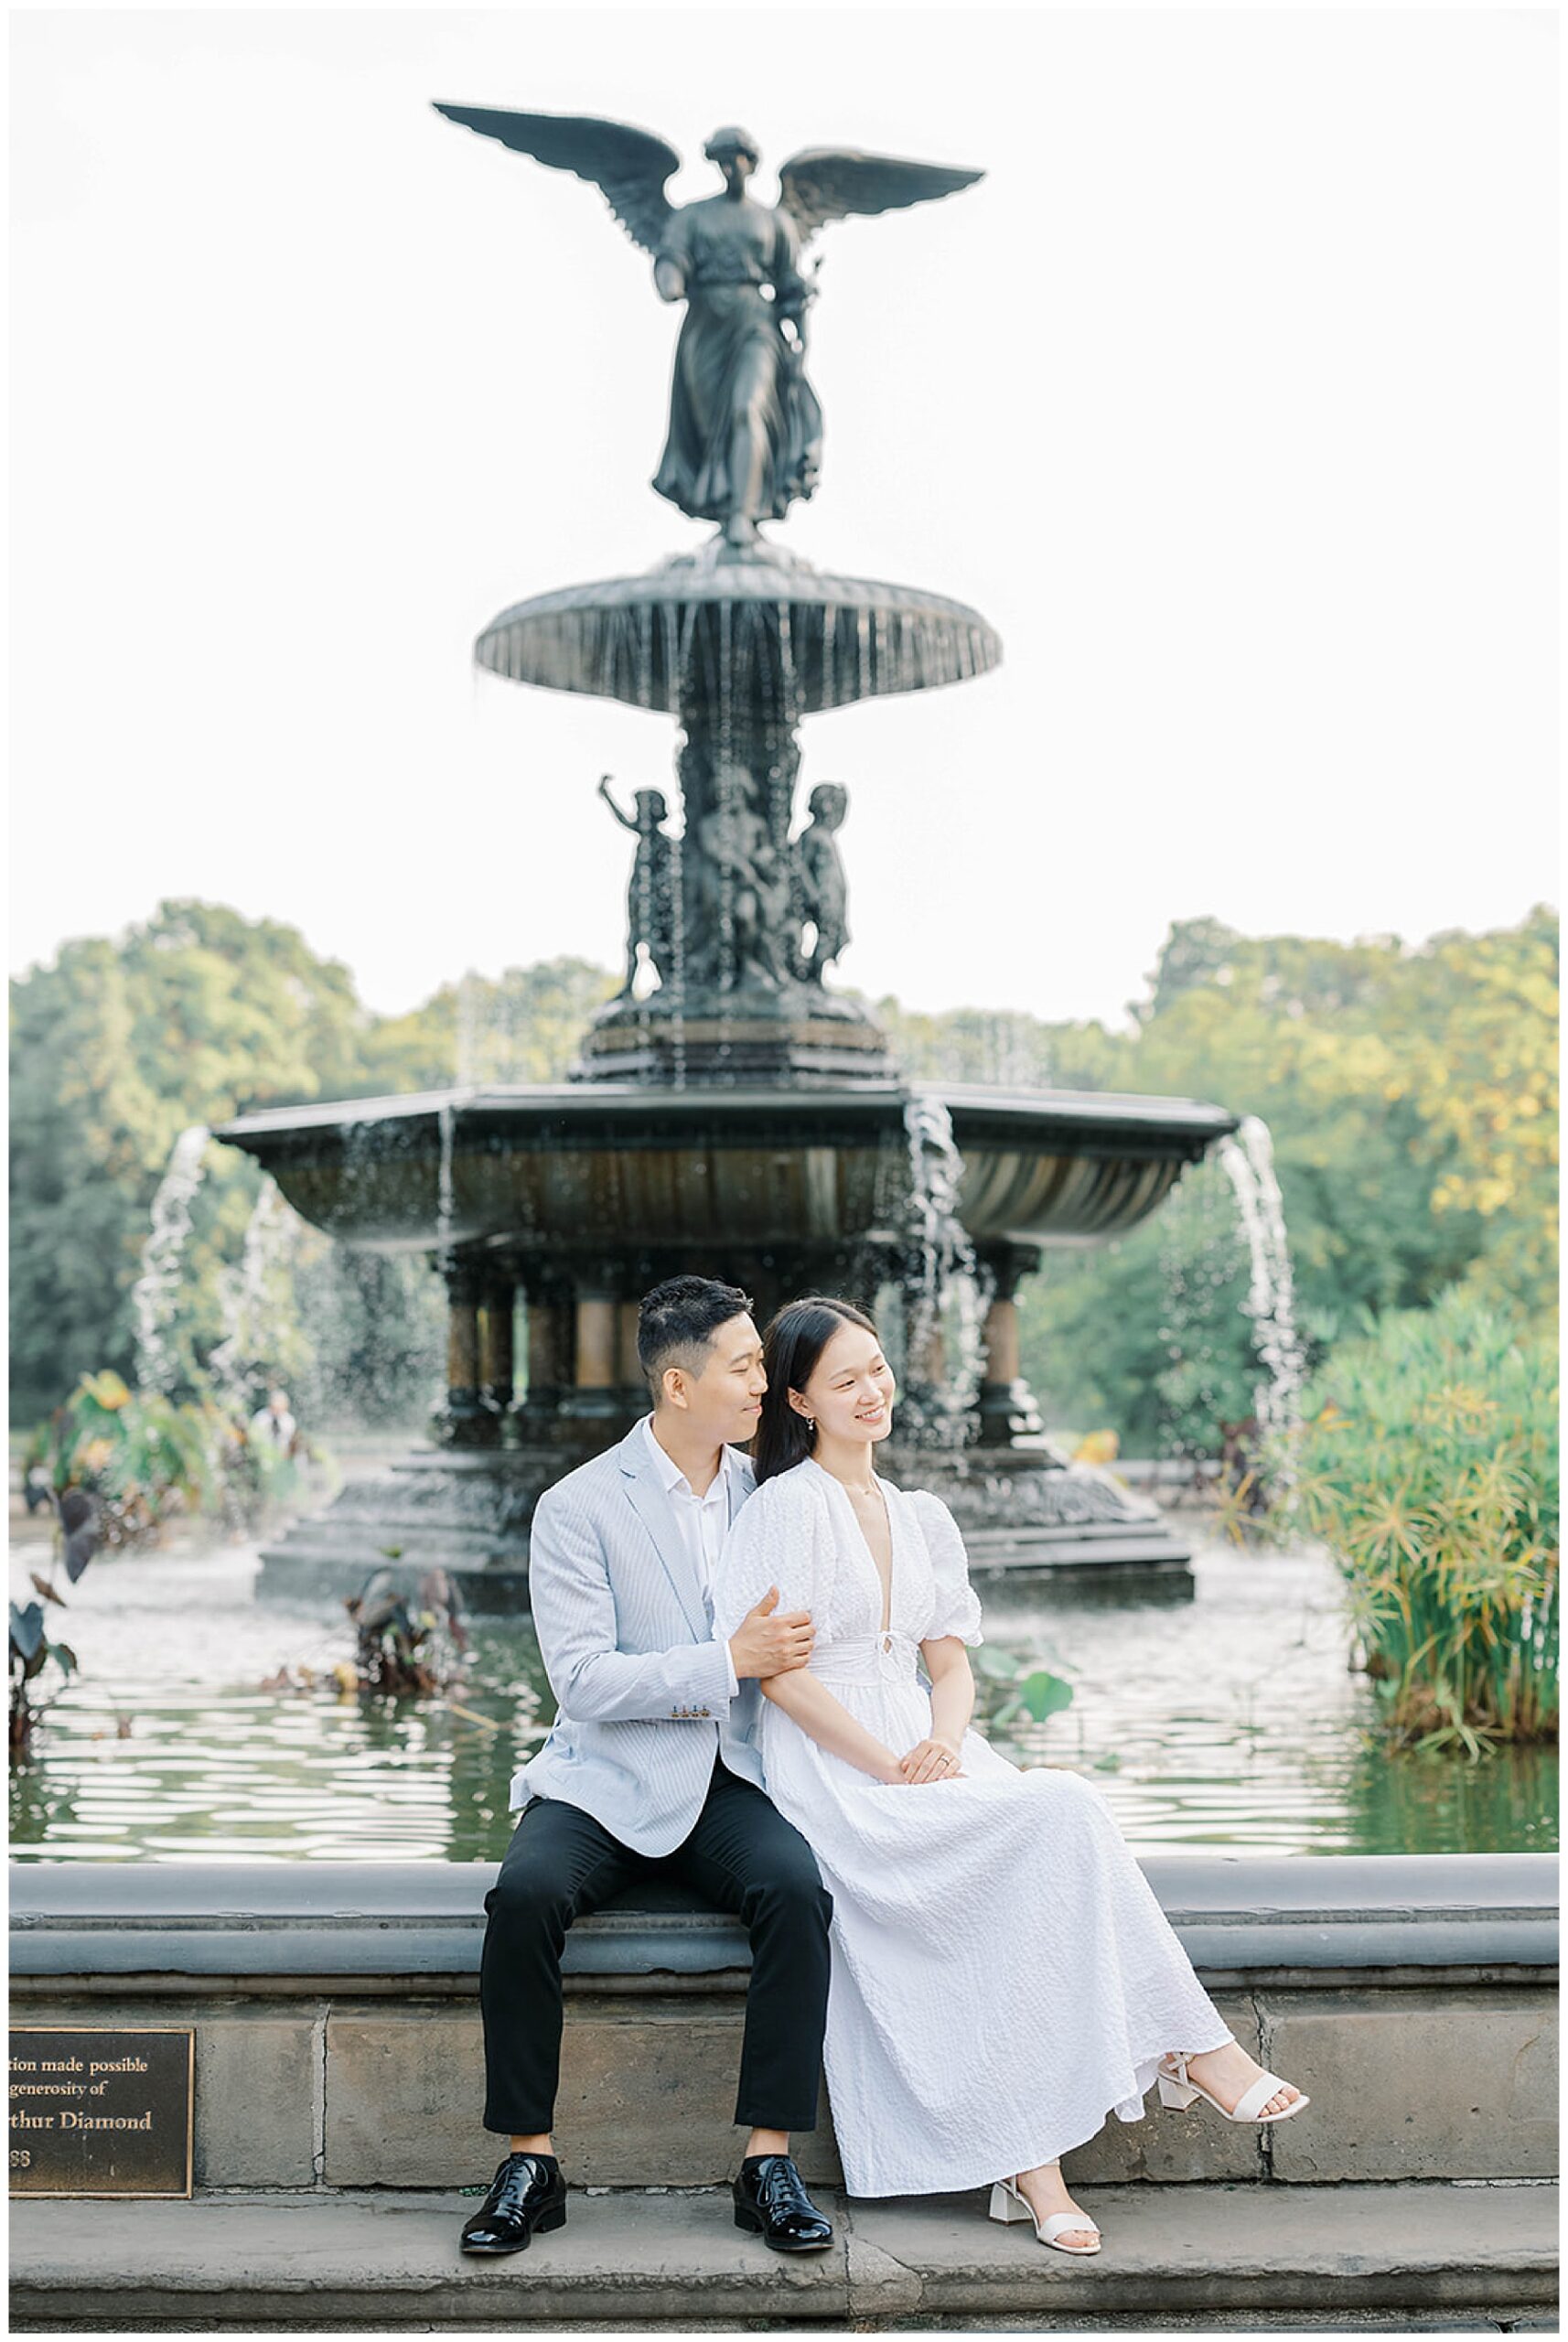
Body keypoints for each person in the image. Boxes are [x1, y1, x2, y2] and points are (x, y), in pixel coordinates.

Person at [713, 1296, 1310, 2255]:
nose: (873, 1391)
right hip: (832, 1770)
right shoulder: (785, 1508)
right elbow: (777, 1675)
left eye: (876, 1367)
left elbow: (948, 1665)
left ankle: (1057, 2151)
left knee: (1055, 1829)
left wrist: (942, 1745)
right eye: (845, 1380)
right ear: (799, 1399)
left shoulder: (920, 1515)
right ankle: (1181, 2062)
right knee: (1060, 1807)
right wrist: (888, 1766)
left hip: (919, 1744)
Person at [461, 1276, 837, 2260]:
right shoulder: (577, 1506)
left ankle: (767, 2160)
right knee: (524, 1896)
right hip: (605, 1779)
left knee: (799, 1890)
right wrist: (726, 1663)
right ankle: (528, 2161)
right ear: (679, 1384)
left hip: (728, 1778)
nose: (765, 1379)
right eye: (745, 1364)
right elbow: (583, 1681)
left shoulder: (776, 1495)